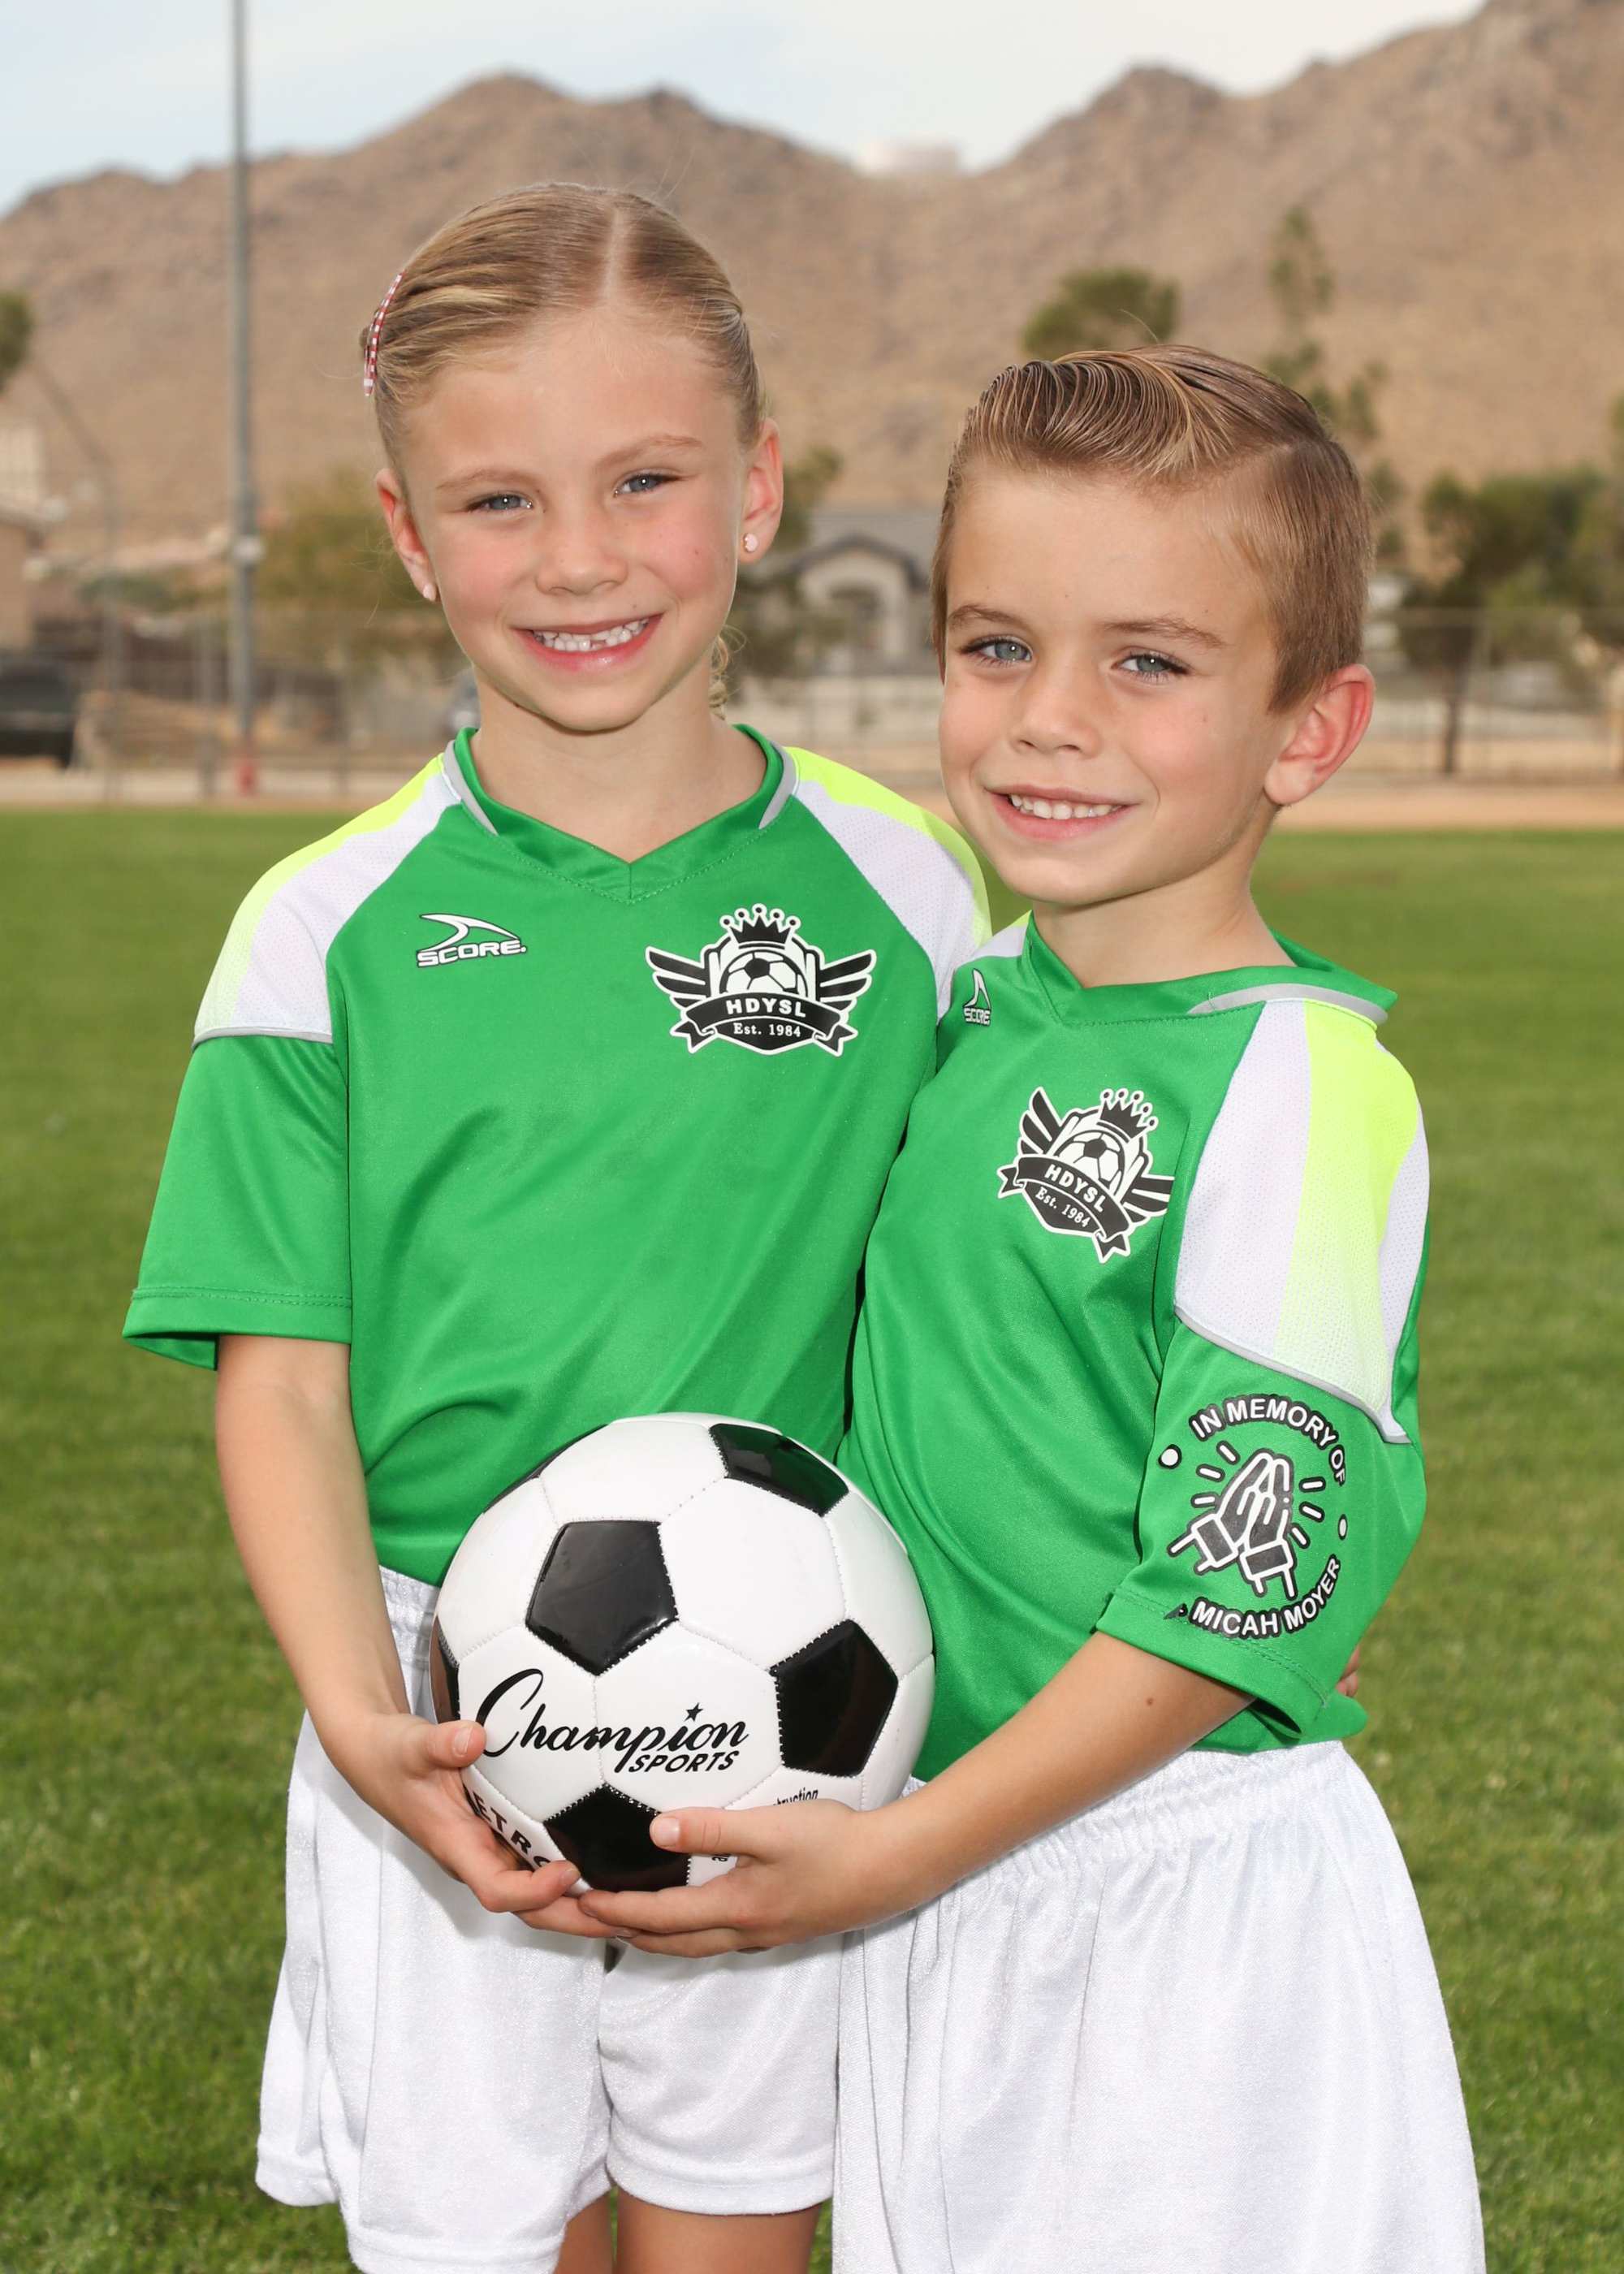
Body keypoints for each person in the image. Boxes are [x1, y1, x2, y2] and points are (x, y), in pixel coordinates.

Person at [122, 183, 988, 2274]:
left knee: (733, 2234)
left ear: (758, 486)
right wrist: (365, 1712)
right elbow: (283, 1382)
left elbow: (979, 1307)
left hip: (797, 1692)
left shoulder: (911, 894)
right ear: (411, 535)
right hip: (437, 1692)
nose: (580, 557)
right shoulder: (321, 932)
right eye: (499, 500)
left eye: (644, 480)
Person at [574, 348, 1486, 2273]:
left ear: (1308, 728)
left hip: (1176, 1894)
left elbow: (1246, 1586)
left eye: (1147, 662)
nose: (1049, 719)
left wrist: (904, 1846)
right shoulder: (971, 1005)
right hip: (949, 1862)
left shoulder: (1301, 1091)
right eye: (995, 645)